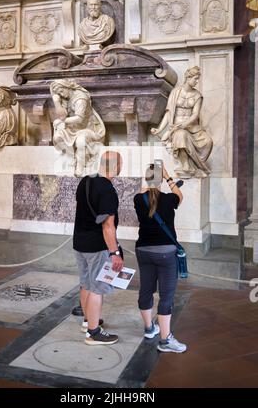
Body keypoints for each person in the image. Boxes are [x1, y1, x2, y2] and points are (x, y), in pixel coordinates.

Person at [134, 163, 187, 353]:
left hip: (144, 251)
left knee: (146, 290)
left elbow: (143, 192)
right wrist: (168, 178)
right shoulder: (169, 199)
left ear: (147, 179)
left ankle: (149, 328)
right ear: (161, 180)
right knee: (166, 295)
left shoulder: (138, 199)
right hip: (165, 253)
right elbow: (180, 196)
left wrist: (150, 178)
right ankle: (165, 340)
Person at [73, 150, 123, 345]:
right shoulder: (108, 190)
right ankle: (93, 333)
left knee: (86, 283)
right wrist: (115, 253)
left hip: (79, 243)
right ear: (116, 167)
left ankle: (88, 321)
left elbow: (79, 212)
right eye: (121, 164)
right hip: (97, 246)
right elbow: (107, 226)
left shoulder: (85, 181)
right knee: (97, 288)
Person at [151, 66, 213, 178]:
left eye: (198, 79)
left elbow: (195, 114)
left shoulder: (197, 95)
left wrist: (185, 124)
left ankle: (196, 165)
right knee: (181, 135)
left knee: (208, 141)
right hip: (177, 128)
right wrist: (159, 129)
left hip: (192, 128)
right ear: (188, 77)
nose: (197, 81)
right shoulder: (175, 92)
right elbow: (169, 113)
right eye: (195, 78)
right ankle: (185, 165)